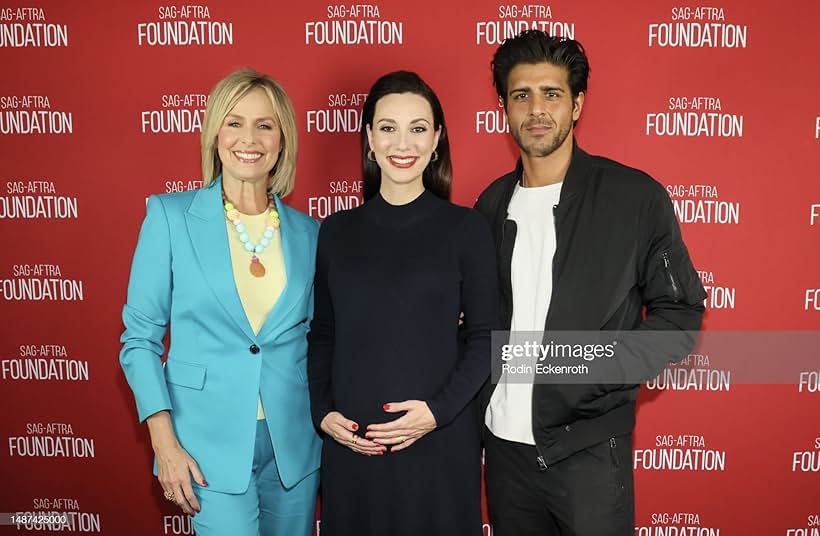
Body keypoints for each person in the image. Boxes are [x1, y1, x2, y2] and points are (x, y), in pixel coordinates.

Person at [476, 31, 707, 536]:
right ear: (504, 108)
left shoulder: (634, 198)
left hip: (588, 452)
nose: (537, 109)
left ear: (577, 104)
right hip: (504, 453)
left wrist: (590, 375)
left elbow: (681, 314)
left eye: (552, 94)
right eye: (522, 95)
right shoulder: (490, 206)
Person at [119, 68, 320, 536]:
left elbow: (322, 335)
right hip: (204, 443)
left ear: (282, 140)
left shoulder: (309, 234)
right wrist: (164, 443)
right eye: (234, 122)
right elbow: (140, 339)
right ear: (214, 134)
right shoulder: (169, 217)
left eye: (265, 125)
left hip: (294, 447)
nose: (248, 138)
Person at [307, 71, 498, 536]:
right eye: (388, 127)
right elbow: (324, 334)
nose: (402, 142)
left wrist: (436, 413)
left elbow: (489, 338)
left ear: (436, 140)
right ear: (369, 138)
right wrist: (322, 411)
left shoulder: (466, 230)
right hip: (353, 446)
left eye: (417, 128)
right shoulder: (334, 232)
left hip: (440, 444)